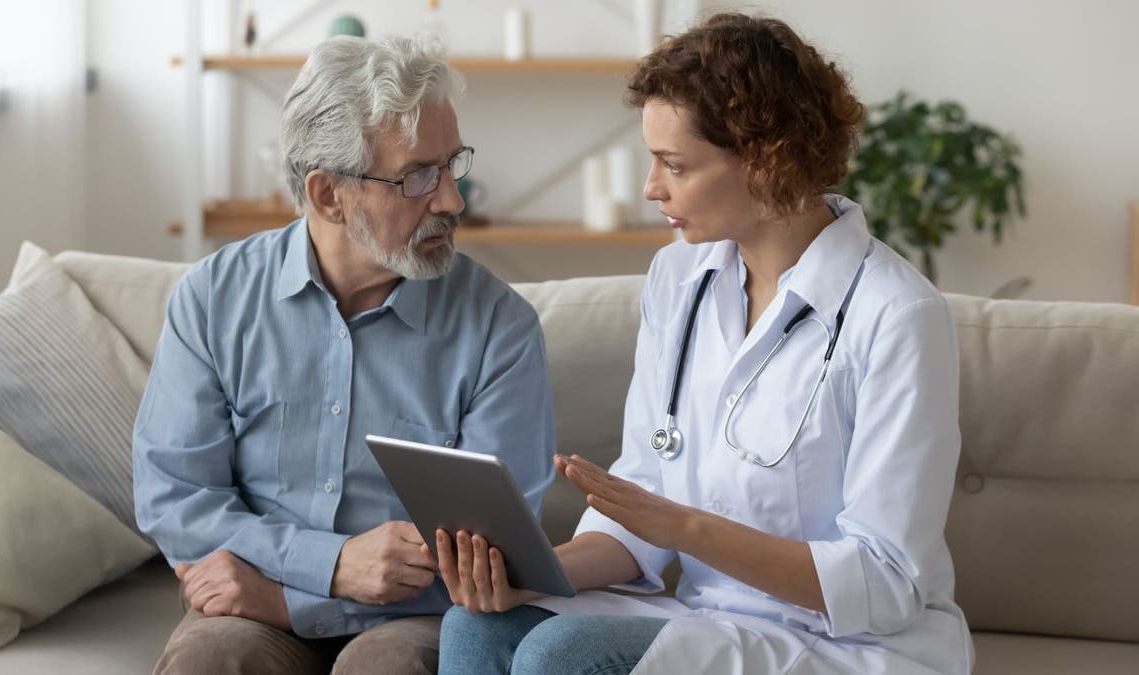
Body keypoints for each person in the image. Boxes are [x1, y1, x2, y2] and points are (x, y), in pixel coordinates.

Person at [435, 12, 971, 675]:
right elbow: (644, 504)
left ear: (767, 160)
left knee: (559, 654)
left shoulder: (897, 315)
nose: (650, 188)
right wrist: (532, 575)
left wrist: (688, 529)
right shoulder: (680, 276)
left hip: (848, 645)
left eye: (674, 164)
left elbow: (886, 582)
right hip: (708, 621)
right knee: (479, 624)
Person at [133, 34, 555, 675]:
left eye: (452, 164)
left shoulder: (500, 327)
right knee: (211, 661)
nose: (452, 201)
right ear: (328, 195)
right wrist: (330, 566)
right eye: (419, 176)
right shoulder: (213, 299)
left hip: (414, 618)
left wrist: (287, 598)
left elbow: (499, 557)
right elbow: (177, 499)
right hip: (246, 611)